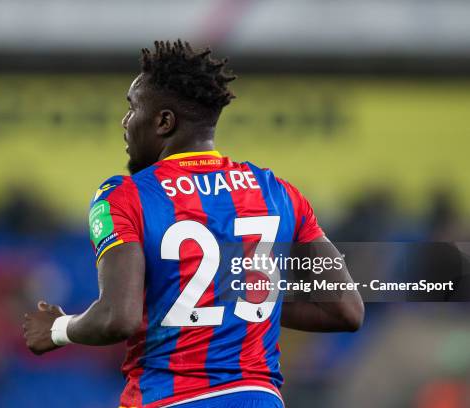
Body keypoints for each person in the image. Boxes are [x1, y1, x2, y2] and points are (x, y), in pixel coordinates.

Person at [23, 40, 364, 408]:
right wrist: (241, 302)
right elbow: (345, 308)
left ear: (164, 122)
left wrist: (57, 329)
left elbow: (117, 318)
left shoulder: (124, 196)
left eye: (132, 108)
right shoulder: (278, 193)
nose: (125, 122)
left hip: (169, 399)